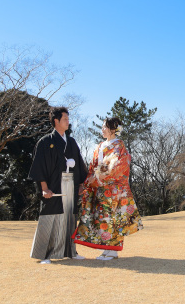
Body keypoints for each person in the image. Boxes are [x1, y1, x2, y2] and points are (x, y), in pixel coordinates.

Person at [73, 116, 143, 260]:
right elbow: (93, 165)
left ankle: (113, 250)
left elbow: (116, 165)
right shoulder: (100, 145)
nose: (102, 129)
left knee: (112, 217)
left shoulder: (119, 146)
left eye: (105, 126)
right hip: (99, 187)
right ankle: (107, 248)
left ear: (112, 130)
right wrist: (89, 181)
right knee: (102, 218)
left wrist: (97, 177)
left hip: (113, 189)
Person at [28, 106, 88, 264]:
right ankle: (44, 255)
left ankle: (71, 251)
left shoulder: (72, 142)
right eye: (65, 119)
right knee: (50, 217)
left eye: (68, 119)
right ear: (56, 121)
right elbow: (40, 166)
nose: (68, 122)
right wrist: (44, 188)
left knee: (70, 217)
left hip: (71, 184)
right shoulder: (45, 142)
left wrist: (81, 183)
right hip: (54, 186)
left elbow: (81, 165)